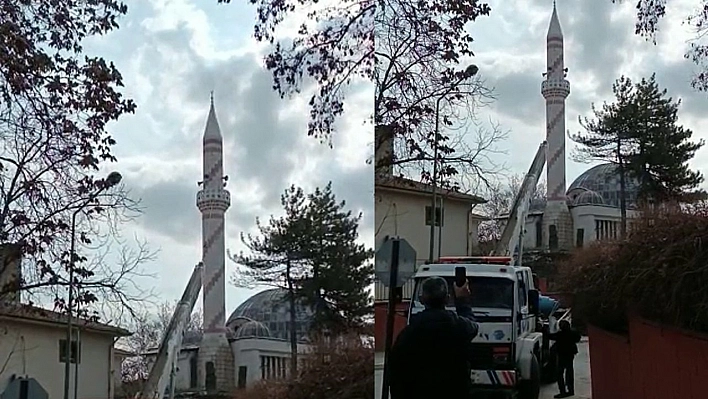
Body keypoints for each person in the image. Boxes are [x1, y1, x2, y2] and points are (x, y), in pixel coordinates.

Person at [388, 276, 479, 399]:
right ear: (447, 299)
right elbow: (473, 325)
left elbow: (395, 372)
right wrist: (462, 300)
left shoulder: (409, 333)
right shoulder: (458, 327)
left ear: (421, 299)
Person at [549, 319, 582, 398]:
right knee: (569, 371)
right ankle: (571, 390)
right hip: (570, 354)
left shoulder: (560, 334)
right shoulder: (572, 333)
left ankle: (563, 391)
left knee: (560, 373)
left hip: (562, 354)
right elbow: (578, 338)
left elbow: (551, 336)